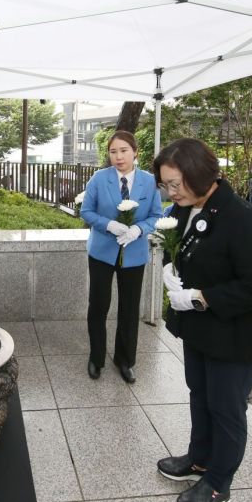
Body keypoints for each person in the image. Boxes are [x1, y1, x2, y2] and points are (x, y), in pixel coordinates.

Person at [154, 138, 252, 502]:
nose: (171, 193)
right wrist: (174, 271)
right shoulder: (185, 207)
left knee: (226, 407)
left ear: (202, 174)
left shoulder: (242, 217)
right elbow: (191, 252)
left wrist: (201, 297)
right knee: (200, 393)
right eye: (166, 185)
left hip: (237, 334)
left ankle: (219, 484)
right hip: (203, 331)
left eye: (176, 184)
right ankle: (200, 459)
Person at [80, 130, 162, 384]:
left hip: (134, 254)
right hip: (102, 253)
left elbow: (156, 215)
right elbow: (86, 211)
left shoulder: (148, 181)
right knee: (99, 305)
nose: (118, 156)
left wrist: (140, 229)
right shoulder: (99, 178)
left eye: (124, 150)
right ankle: (96, 357)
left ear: (135, 152)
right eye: (113, 151)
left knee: (129, 309)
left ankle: (125, 360)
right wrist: (108, 225)